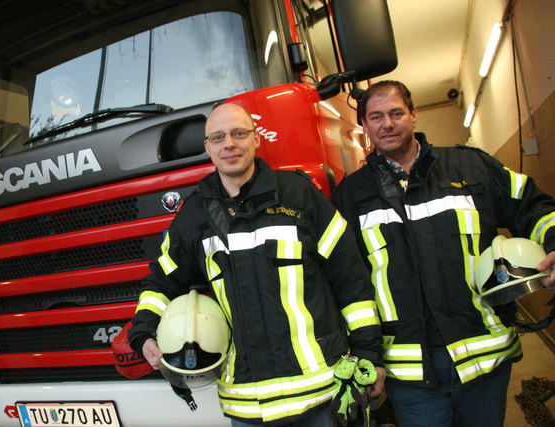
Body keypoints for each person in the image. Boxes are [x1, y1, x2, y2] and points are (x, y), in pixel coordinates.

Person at [129, 103, 385, 426]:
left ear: (256, 139)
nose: (230, 144)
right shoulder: (193, 217)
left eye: (239, 133)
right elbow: (161, 283)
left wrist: (368, 354)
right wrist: (143, 333)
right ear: (208, 148)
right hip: (248, 407)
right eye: (219, 137)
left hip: (324, 394)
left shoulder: (299, 196)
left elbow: (350, 277)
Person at [331, 80, 555, 427]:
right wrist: (366, 354)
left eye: (395, 113)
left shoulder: (470, 168)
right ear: (364, 125)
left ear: (414, 115)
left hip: (484, 358)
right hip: (410, 370)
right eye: (376, 117)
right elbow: (349, 281)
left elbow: (532, 205)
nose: (386, 124)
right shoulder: (349, 196)